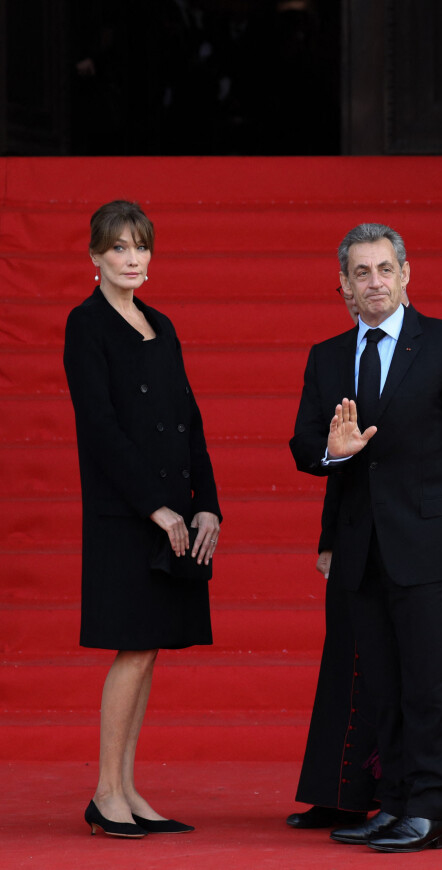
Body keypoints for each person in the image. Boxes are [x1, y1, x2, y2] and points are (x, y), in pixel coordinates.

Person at [290, 223, 442, 853]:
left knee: (430, 683)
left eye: (385, 269)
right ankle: (397, 803)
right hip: (361, 550)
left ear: (407, 274)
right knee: (381, 683)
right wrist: (330, 451)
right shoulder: (327, 356)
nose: (374, 283)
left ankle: (431, 811)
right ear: (345, 289)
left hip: (431, 543)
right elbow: (304, 445)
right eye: (361, 273)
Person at [63, 200, 221, 839]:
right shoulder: (87, 324)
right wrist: (153, 506)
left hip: (173, 512)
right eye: (119, 247)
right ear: (95, 257)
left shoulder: (163, 323)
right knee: (131, 647)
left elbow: (191, 420)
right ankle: (104, 792)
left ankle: (126, 787)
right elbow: (98, 428)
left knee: (149, 648)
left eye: (140, 247)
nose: (132, 259)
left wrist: (205, 500)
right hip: (126, 514)